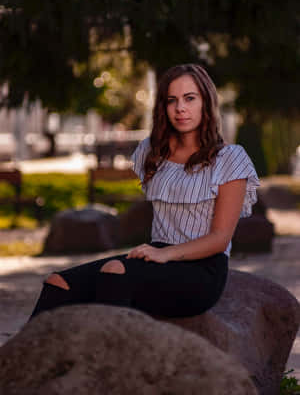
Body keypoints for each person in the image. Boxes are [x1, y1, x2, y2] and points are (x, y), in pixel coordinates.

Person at [30, 63, 259, 319]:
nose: (180, 108)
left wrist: (165, 254)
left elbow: (220, 239)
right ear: (163, 106)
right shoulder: (153, 152)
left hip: (202, 269)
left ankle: (112, 356)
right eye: (171, 100)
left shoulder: (230, 158)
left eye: (190, 98)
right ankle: (24, 358)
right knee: (58, 282)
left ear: (206, 102)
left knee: (116, 271)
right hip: (156, 256)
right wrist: (158, 253)